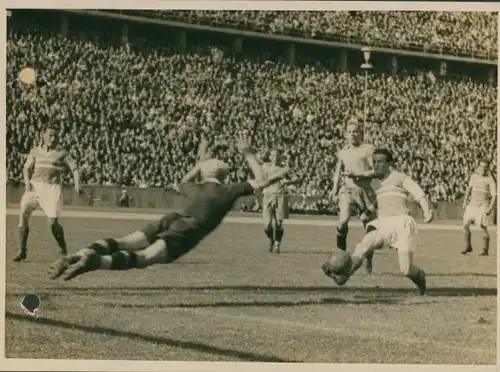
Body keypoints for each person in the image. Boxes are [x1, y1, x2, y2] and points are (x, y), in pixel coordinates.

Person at [49, 133, 289, 281]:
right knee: (143, 257)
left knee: (125, 241)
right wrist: (247, 153)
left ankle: (78, 254)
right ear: (223, 173)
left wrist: (201, 161)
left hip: (173, 218)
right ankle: (95, 263)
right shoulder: (227, 190)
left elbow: (182, 180)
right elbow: (262, 180)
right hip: (188, 228)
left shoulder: (192, 187)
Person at [322, 148, 433, 295]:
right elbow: (378, 201)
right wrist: (367, 212)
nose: (376, 165)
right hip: (382, 223)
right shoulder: (376, 183)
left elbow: (418, 193)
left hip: (401, 223)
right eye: (374, 162)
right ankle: (343, 275)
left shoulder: (400, 177)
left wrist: (427, 211)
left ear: (389, 163)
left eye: (380, 162)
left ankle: (421, 277)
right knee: (363, 247)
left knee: (406, 269)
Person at [15, 123, 81, 262]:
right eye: (50, 136)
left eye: (56, 136)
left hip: (52, 188)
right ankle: (21, 250)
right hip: (34, 187)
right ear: (43, 136)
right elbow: (27, 168)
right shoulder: (35, 151)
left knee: (52, 223)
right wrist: (27, 182)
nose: (53, 139)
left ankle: (62, 248)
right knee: (23, 215)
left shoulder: (62, 153)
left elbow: (74, 168)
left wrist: (77, 184)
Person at [328, 121, 378, 273]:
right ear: (345, 134)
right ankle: (341, 257)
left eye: (356, 131)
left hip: (365, 192)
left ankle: (368, 258)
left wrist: (359, 174)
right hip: (347, 190)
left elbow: (376, 170)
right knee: (342, 222)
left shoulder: (367, 149)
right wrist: (334, 188)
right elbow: (338, 170)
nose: (353, 134)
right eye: (350, 132)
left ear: (361, 133)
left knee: (370, 230)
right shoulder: (343, 152)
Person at [261, 149, 300, 253]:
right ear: (270, 157)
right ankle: (271, 239)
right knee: (267, 224)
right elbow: (262, 181)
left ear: (280, 157)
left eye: (277, 155)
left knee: (279, 223)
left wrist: (288, 181)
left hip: (280, 196)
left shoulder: (285, 168)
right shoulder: (265, 167)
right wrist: (277, 177)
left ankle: (277, 245)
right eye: (273, 155)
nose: (275, 157)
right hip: (268, 196)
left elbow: (297, 178)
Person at [461, 159, 497, 256]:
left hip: (483, 205)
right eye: (481, 167)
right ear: (478, 167)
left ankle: (485, 250)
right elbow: (469, 189)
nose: (483, 169)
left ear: (488, 168)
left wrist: (490, 207)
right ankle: (468, 246)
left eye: (485, 167)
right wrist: (465, 202)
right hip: (472, 204)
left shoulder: (490, 179)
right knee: (465, 225)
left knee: (482, 226)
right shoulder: (474, 177)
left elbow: (494, 195)